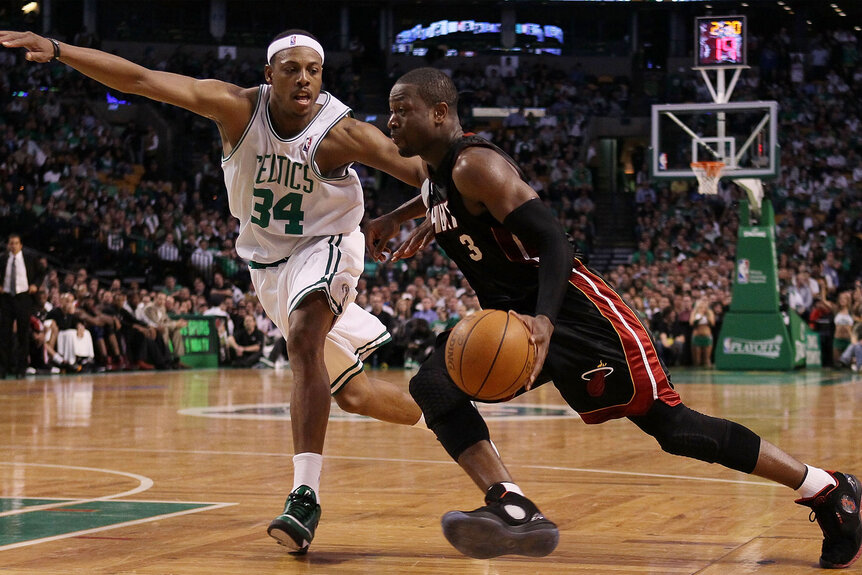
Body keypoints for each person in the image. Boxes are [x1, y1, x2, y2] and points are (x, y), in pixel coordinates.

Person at [365, 67, 861, 567]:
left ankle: (826, 489)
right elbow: (436, 195)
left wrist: (545, 320)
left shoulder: (475, 165)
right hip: (514, 319)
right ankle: (512, 505)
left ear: (440, 113)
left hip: (576, 314)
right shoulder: (435, 172)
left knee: (674, 428)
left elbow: (555, 239)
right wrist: (398, 218)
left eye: (402, 109)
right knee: (433, 385)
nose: (391, 121)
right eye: (390, 110)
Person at [0, 28, 427, 554]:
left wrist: (409, 211)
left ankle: (304, 497)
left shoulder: (342, 134)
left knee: (303, 340)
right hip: (267, 265)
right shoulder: (234, 109)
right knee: (356, 394)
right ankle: (445, 415)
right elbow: (140, 79)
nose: (303, 79)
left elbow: (428, 173)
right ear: (267, 75)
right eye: (291, 69)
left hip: (329, 242)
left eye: (313, 70)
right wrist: (60, 50)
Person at [0, 233, 45, 378]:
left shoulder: (30, 258)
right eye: (10, 243)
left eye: (15, 243)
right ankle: (3, 368)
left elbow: (42, 272)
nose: (13, 245)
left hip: (23, 298)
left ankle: (21, 368)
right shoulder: (2, 259)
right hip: (6, 299)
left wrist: (35, 285)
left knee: (23, 334)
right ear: (8, 245)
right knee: (4, 334)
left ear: (20, 245)